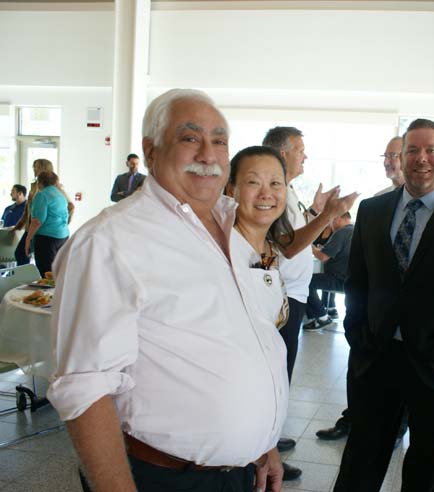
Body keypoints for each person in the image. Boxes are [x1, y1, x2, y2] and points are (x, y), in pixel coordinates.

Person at [47, 89, 287, 492]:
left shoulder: (232, 226)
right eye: (190, 138)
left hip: (242, 472)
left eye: (219, 140)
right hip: (168, 478)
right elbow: (84, 388)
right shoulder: (110, 242)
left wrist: (263, 442)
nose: (209, 154)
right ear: (151, 149)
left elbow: (246, 337)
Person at [334, 119, 434, 492]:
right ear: (400, 157)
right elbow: (357, 281)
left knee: (429, 466)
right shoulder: (372, 211)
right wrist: (356, 335)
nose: (421, 158)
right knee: (361, 458)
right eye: (412, 150)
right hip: (376, 357)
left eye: (430, 150)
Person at [262, 126, 358, 479]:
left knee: (281, 375)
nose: (305, 156)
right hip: (282, 295)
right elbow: (288, 245)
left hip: (295, 293)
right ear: (282, 152)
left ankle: (269, 439)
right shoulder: (276, 191)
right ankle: (264, 449)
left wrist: (318, 211)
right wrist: (326, 214)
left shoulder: (288, 192)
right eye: (300, 150)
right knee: (275, 375)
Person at [317, 135, 410, 443]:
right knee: (360, 370)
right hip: (372, 311)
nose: (389, 161)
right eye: (386, 155)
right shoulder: (378, 201)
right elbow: (361, 262)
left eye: (395, 155)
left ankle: (396, 427)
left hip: (410, 320)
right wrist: (354, 319)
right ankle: (352, 418)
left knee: (401, 378)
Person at [227, 145, 294, 332]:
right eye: (253, 182)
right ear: (231, 189)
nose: (266, 194)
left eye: (275, 183)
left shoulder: (269, 248)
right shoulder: (222, 249)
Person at [13, 158, 74, 265]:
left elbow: (71, 206)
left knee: (31, 257)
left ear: (42, 168)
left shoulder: (54, 188)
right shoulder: (35, 186)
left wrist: (63, 222)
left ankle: (28, 278)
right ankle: (28, 277)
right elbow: (28, 209)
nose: (33, 169)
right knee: (22, 254)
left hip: (44, 230)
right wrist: (18, 226)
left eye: (35, 166)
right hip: (35, 227)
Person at [304, 211, 353, 330]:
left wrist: (309, 246)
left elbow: (323, 257)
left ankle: (322, 318)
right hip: (348, 278)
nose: (330, 224)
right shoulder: (354, 230)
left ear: (338, 218)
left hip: (338, 278)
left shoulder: (341, 232)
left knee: (304, 282)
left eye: (331, 220)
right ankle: (321, 313)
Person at [24, 171, 69, 275]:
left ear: (39, 182)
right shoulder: (61, 195)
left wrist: (28, 240)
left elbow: (37, 221)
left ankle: (46, 292)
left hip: (47, 238)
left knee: (46, 273)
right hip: (63, 236)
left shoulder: (42, 195)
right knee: (57, 271)